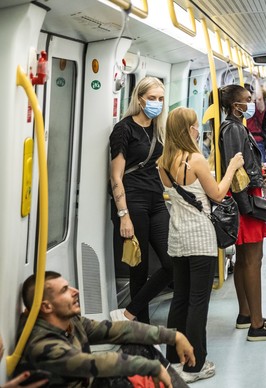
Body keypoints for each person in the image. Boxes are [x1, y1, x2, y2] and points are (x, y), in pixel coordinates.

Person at [158, 107, 244, 382]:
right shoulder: (195, 160)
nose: (198, 130)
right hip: (201, 238)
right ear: (188, 130)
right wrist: (231, 168)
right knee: (199, 302)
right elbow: (217, 194)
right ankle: (196, 365)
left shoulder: (162, 162)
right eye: (195, 126)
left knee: (180, 300)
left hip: (178, 237)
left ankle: (174, 360)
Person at [16, 271, 196, 387]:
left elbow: (119, 330)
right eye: (64, 290)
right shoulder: (42, 345)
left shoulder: (72, 323)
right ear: (47, 307)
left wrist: (173, 336)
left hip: (89, 382)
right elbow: (93, 363)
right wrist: (152, 368)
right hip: (88, 381)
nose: (75, 291)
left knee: (138, 345)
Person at [218, 84, 266, 341]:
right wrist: (247, 208)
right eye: (247, 101)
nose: (251, 105)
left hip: (243, 196)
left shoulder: (235, 127)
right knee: (253, 260)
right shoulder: (234, 128)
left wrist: (259, 170)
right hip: (245, 199)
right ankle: (257, 325)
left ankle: (246, 314)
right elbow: (235, 170)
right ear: (236, 106)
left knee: (244, 259)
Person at [109, 76, 173, 324]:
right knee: (139, 268)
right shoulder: (124, 129)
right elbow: (116, 176)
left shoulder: (159, 129)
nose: (156, 103)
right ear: (139, 99)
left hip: (157, 200)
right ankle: (141, 330)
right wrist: (123, 215)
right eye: (152, 98)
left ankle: (128, 314)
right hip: (133, 201)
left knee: (171, 262)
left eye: (160, 99)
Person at [244, 79, 266, 163]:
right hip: (243, 141)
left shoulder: (256, 109)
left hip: (255, 140)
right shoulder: (238, 109)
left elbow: (259, 98)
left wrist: (257, 79)